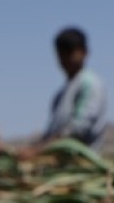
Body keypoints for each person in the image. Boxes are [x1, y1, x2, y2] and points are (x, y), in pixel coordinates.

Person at [22, 27, 107, 155]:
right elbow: (53, 132)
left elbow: (78, 129)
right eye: (61, 54)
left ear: (84, 52)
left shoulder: (89, 83)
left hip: (80, 165)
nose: (65, 59)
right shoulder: (61, 94)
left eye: (70, 53)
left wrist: (38, 150)